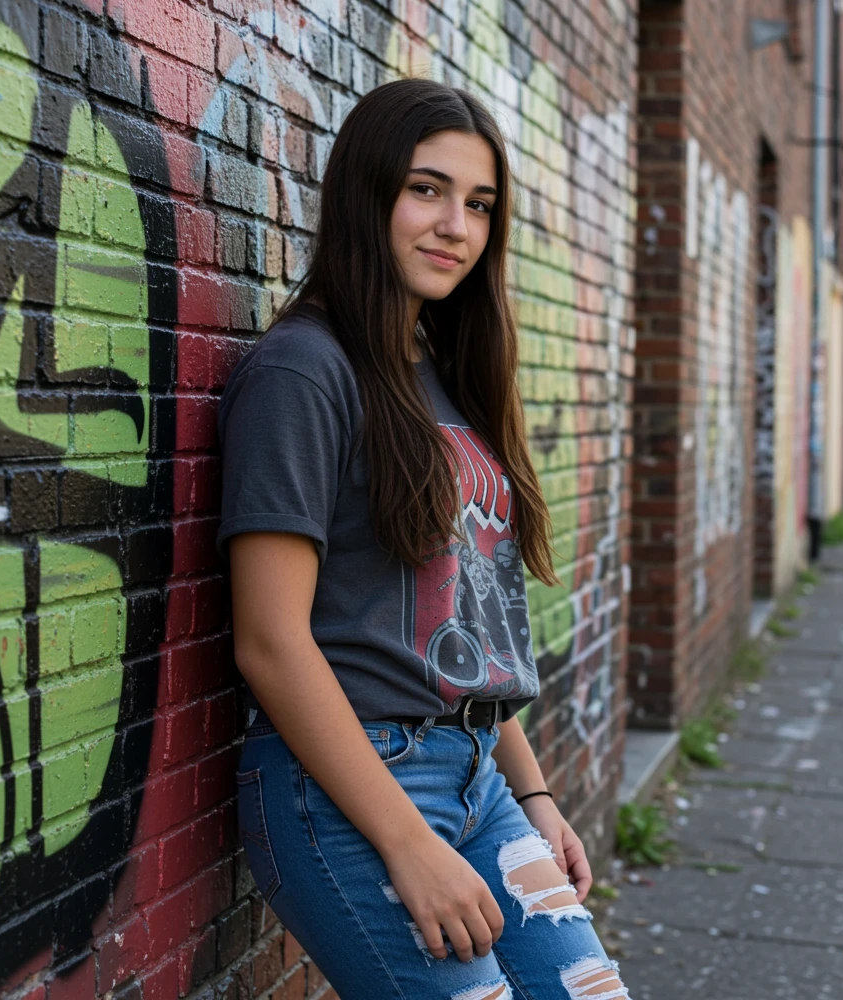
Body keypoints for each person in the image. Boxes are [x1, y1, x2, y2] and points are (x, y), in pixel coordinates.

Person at [217, 78, 632, 1000]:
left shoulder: (440, 373)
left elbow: (469, 624)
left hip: (480, 778)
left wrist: (534, 796)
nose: (456, 226)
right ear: (366, 193)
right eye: (426, 190)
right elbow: (270, 642)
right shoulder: (303, 372)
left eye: (479, 204)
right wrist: (406, 842)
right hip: (354, 790)